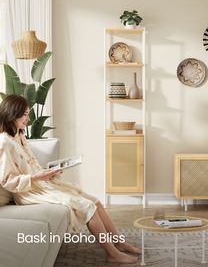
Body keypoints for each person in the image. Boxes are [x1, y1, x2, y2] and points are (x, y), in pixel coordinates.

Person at [0, 94, 140, 264]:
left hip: (42, 183)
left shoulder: (19, 135)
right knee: (87, 206)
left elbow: (31, 165)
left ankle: (119, 242)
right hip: (29, 192)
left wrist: (48, 172)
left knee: (95, 201)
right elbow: (8, 180)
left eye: (28, 114)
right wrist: (37, 177)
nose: (28, 119)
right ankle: (112, 253)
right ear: (12, 114)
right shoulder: (4, 143)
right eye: (24, 115)